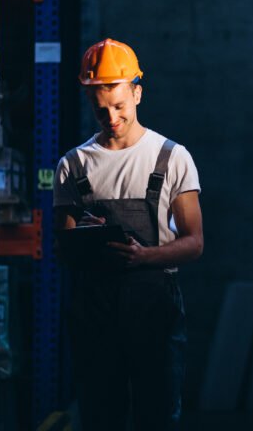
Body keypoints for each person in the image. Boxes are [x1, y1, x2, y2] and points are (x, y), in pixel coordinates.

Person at [53, 38, 204, 431]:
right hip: (97, 309)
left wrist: (144, 257)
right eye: (100, 109)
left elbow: (194, 243)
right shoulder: (73, 165)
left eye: (119, 106)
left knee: (157, 414)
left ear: (137, 92)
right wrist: (87, 236)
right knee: (102, 415)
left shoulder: (171, 158)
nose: (111, 117)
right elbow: (64, 248)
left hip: (154, 305)